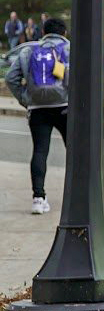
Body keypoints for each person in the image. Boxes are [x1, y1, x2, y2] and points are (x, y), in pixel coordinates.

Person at [5, 18, 70, 215]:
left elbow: (10, 78)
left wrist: (25, 99)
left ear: (43, 31)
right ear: (64, 33)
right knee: (74, 151)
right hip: (64, 106)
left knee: (40, 151)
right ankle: (77, 193)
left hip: (38, 108)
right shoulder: (69, 49)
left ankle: (38, 198)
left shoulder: (28, 50)